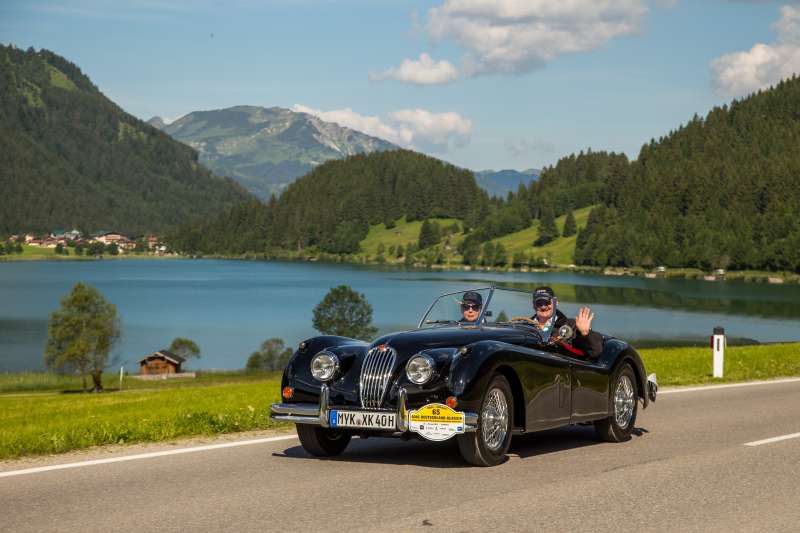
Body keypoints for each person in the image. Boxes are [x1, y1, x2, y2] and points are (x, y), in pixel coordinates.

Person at [531, 286, 603, 358]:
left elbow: (595, 352)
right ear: (534, 305)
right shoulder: (525, 325)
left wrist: (585, 334)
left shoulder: (572, 325)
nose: (543, 307)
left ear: (556, 303)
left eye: (547, 302)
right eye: (539, 303)